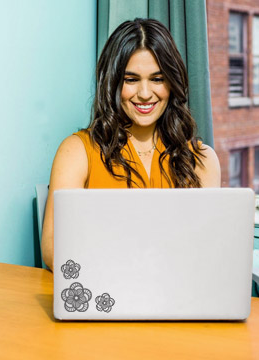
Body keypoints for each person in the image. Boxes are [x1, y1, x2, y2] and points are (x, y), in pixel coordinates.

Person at [41, 18, 221, 270]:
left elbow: (207, 250)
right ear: (113, 83)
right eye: (131, 79)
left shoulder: (202, 159)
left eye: (157, 79)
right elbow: (52, 251)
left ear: (172, 82)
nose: (145, 93)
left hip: (179, 299)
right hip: (104, 293)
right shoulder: (76, 151)